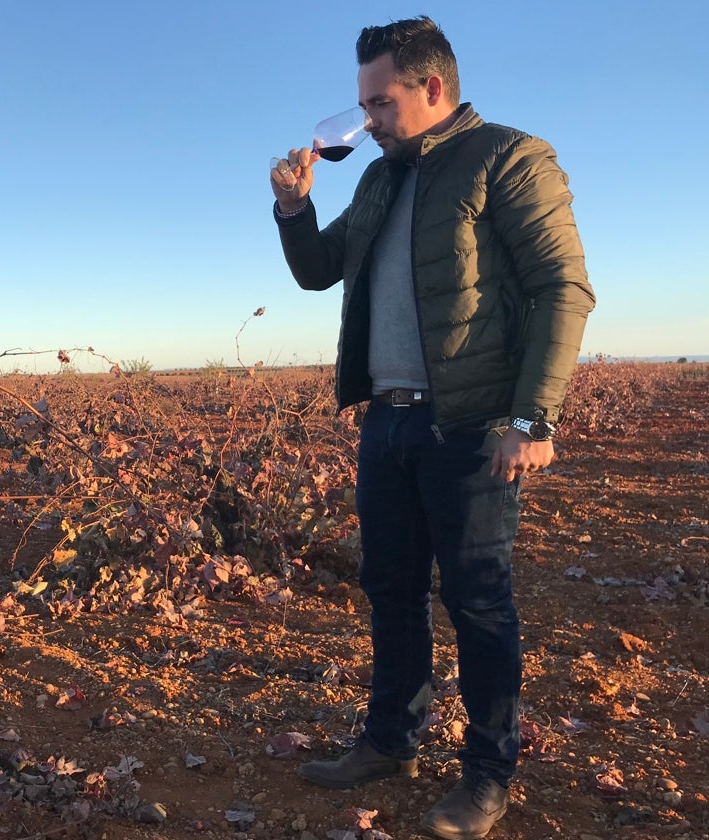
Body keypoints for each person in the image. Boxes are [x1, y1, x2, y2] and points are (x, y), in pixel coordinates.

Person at [269, 16, 594, 840]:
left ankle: (488, 775)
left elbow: (563, 287)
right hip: (388, 425)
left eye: (379, 103)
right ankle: (389, 741)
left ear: (433, 89)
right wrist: (292, 208)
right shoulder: (378, 180)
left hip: (475, 426)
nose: (367, 119)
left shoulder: (509, 158)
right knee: (392, 594)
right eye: (362, 105)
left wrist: (533, 416)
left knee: (480, 603)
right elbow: (316, 273)